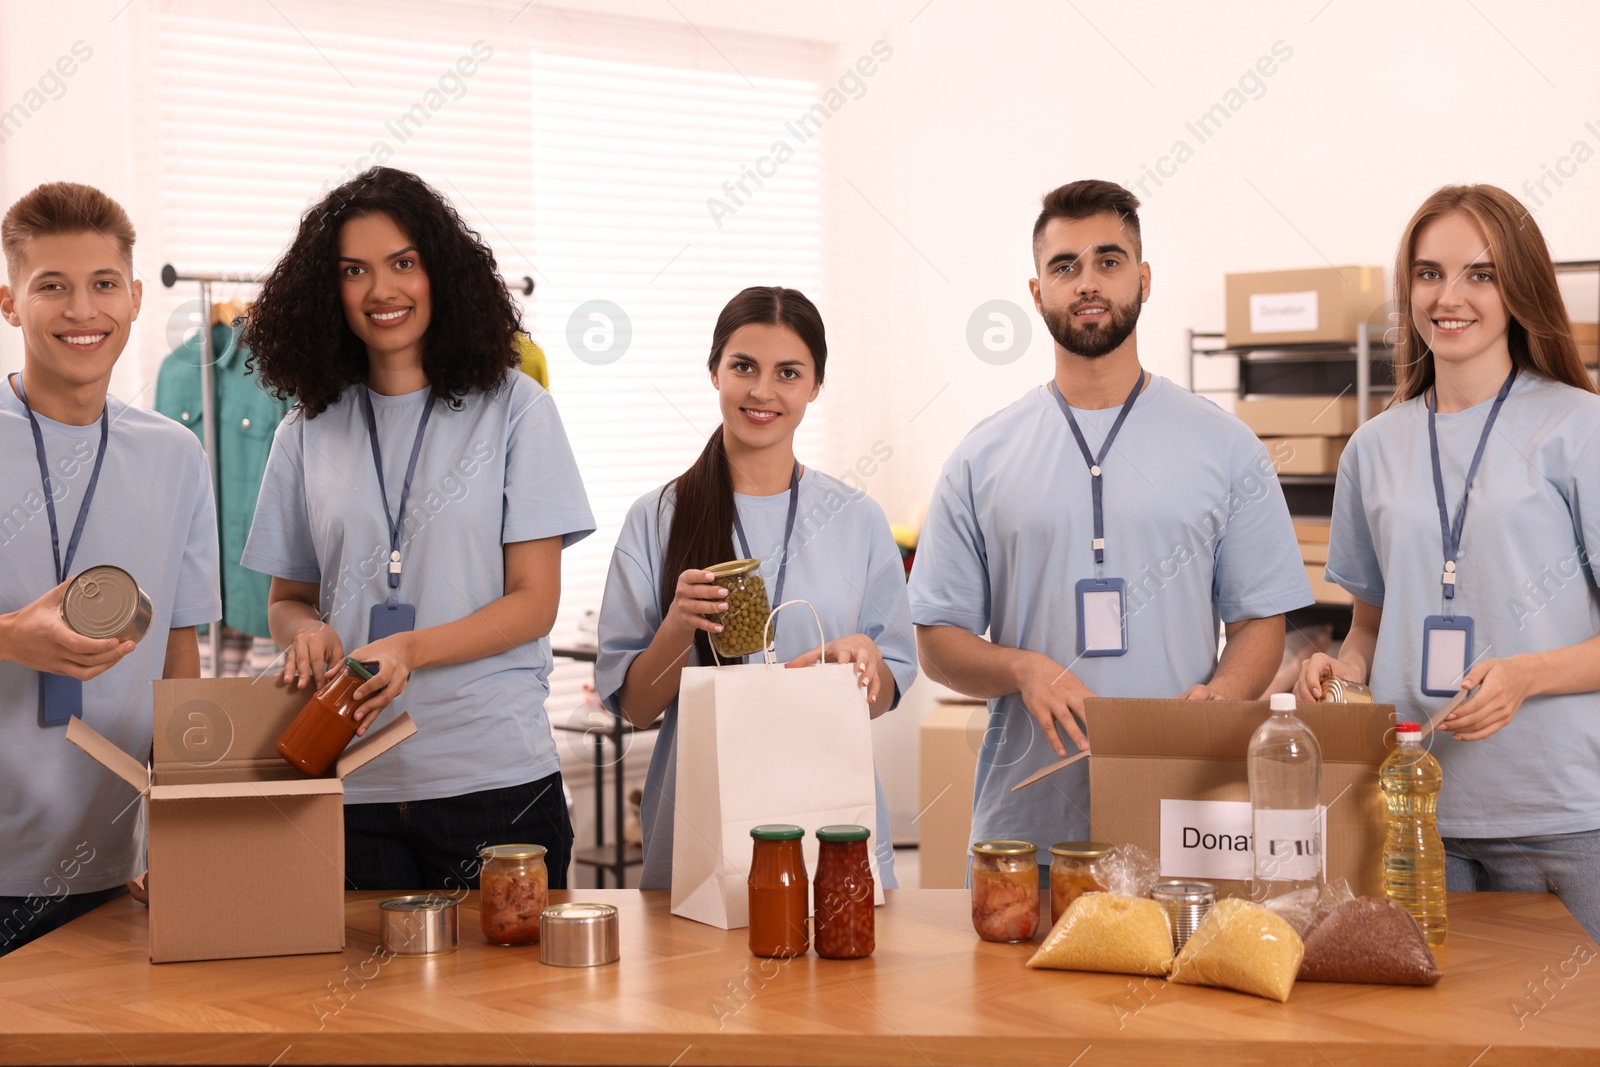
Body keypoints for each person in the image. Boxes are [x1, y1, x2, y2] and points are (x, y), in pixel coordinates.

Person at [911, 180, 1311, 869]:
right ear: (1036, 291)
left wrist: (1221, 696)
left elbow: (1259, 624)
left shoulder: (1226, 447)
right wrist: (1021, 667)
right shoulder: (983, 456)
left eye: (1109, 260)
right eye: (1064, 266)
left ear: (1143, 279)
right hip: (1025, 835)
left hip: (1183, 823)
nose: (1087, 282)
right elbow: (937, 641)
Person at [241, 167, 594, 891]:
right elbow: (287, 598)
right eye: (354, 270)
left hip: (494, 782)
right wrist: (303, 630)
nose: (382, 290)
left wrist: (411, 648)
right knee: (364, 1008)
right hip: (349, 784)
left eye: (404, 263)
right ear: (326, 291)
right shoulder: (304, 430)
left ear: (441, 272)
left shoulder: (516, 410)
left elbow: (534, 601)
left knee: (509, 1006)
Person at [1295, 184, 1600, 938]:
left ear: (1519, 287)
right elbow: (1369, 625)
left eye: (1480, 274)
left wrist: (1526, 674)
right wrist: (1343, 669)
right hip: (1412, 813)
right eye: (1429, 273)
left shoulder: (1578, 428)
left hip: (1560, 814)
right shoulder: (1373, 447)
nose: (1449, 296)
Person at [595, 286, 914, 889]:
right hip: (699, 819)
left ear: (815, 386)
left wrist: (865, 663)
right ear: (714, 369)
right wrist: (678, 626)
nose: (762, 391)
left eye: (788, 373)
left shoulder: (857, 518)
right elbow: (637, 708)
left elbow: (880, 697)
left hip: (828, 817)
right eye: (744, 367)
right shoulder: (656, 517)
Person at [0, 182, 220, 955]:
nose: (81, 310)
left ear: (133, 299)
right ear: (9, 303)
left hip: (115, 871)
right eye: (51, 286)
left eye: (102, 286)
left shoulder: (176, 454)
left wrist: (185, 834)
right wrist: (8, 638)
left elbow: (182, 658)